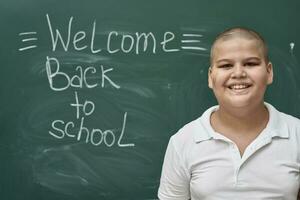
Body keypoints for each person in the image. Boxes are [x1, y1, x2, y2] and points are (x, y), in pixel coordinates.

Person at [158, 27, 300, 200]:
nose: (238, 73)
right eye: (226, 65)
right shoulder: (183, 141)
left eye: (250, 63)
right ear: (211, 77)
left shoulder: (297, 134)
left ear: (269, 72)